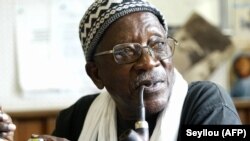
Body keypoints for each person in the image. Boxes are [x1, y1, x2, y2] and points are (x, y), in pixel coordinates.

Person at [0, 0, 241, 141]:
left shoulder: (208, 106)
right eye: (126, 52)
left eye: (158, 44)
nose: (148, 62)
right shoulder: (77, 118)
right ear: (96, 74)